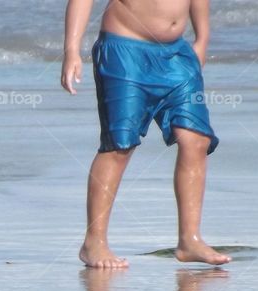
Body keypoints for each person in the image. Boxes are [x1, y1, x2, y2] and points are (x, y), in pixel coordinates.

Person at [61, 0, 230, 268]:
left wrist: (202, 37)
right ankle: (94, 242)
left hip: (177, 55)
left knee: (196, 139)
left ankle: (190, 239)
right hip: (125, 52)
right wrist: (72, 50)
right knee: (119, 146)